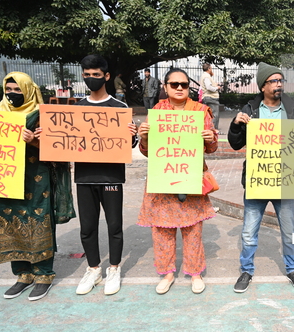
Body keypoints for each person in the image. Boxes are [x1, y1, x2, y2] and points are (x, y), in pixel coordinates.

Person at [228, 62, 294, 293]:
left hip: (284, 180)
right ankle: (246, 270)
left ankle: (292, 269)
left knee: (288, 230)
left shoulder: (292, 110)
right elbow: (236, 144)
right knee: (249, 230)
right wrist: (236, 124)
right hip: (258, 180)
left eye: (280, 80)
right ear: (262, 86)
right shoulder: (250, 110)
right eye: (274, 81)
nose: (279, 85)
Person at [0, 72, 75, 301]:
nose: (12, 94)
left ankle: (44, 275)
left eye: (18, 90)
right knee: (9, 222)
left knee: (38, 220)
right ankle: (22, 274)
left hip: (36, 179)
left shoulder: (43, 114)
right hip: (6, 178)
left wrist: (35, 141)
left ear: (28, 90)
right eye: (9, 89)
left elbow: (59, 150)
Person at [137, 68, 218, 295]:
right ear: (165, 87)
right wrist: (143, 137)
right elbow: (148, 151)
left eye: (184, 84)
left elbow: (211, 148)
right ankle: (168, 273)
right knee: (162, 230)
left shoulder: (201, 111)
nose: (180, 88)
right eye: (174, 84)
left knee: (193, 229)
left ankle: (195, 272)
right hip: (163, 179)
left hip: (190, 177)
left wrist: (211, 139)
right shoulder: (156, 112)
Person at [73, 55, 138, 296]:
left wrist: (132, 134)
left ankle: (114, 268)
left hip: (111, 178)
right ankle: (93, 269)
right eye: (87, 75)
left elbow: (128, 143)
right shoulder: (77, 108)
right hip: (84, 178)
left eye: (96, 75)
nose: (91, 79)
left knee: (114, 226)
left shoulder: (119, 108)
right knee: (87, 228)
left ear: (106, 76)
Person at [199, 63, 220, 132]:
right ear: (208, 69)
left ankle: (208, 128)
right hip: (211, 97)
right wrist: (216, 88)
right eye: (211, 68)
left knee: (208, 114)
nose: (211, 70)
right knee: (215, 114)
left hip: (207, 97)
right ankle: (213, 130)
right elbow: (208, 87)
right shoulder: (206, 77)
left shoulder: (204, 76)